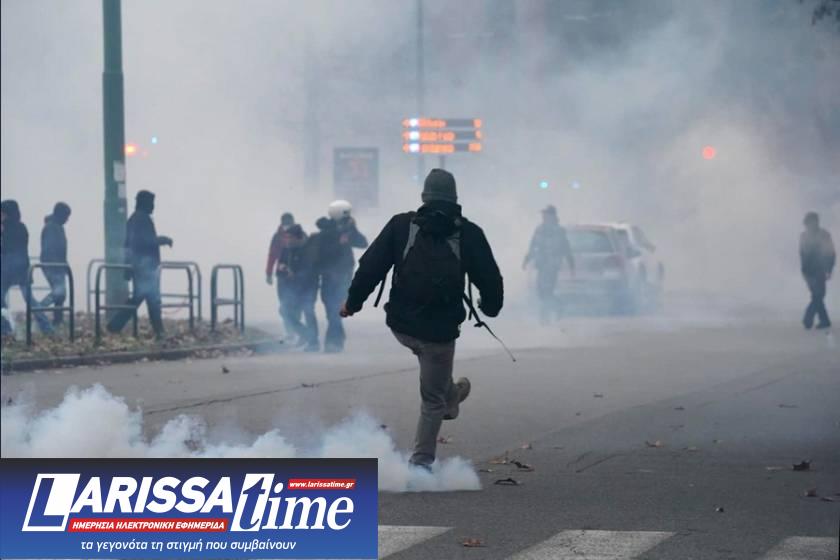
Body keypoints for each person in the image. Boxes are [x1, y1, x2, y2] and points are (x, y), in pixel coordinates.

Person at [340, 169, 504, 469]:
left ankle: (451, 395)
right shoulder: (469, 234)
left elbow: (370, 268)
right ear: (455, 199)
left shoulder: (401, 225)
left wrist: (352, 303)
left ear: (424, 197)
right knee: (433, 401)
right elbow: (491, 279)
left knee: (434, 381)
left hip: (401, 326)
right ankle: (421, 463)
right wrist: (490, 308)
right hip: (440, 334)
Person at [107, 190, 173, 339]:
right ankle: (158, 331)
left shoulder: (133, 219)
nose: (153, 206)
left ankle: (116, 326)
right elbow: (146, 241)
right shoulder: (142, 219)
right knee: (151, 300)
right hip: (145, 267)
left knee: (144, 299)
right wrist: (163, 239)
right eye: (151, 203)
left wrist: (128, 267)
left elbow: (127, 245)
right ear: (144, 203)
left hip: (139, 266)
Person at [312, 200, 368, 353]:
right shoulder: (325, 232)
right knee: (332, 310)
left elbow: (363, 243)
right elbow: (322, 254)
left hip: (343, 276)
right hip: (329, 277)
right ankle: (336, 339)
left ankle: (334, 342)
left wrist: (351, 231)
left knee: (338, 309)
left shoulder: (347, 230)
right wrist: (340, 242)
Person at [1, 200, 53, 336]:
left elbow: (6, 249)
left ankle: (6, 328)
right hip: (21, 268)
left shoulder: (7, 229)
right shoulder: (21, 227)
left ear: (7, 213)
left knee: (5, 298)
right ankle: (47, 328)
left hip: (8, 268)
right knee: (31, 300)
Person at [522, 205, 575, 324]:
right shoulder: (539, 229)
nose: (544, 216)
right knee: (540, 291)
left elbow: (566, 248)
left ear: (553, 216)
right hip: (541, 265)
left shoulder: (559, 230)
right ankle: (559, 307)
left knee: (547, 291)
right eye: (543, 214)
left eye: (546, 214)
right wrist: (526, 259)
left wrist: (571, 264)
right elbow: (533, 245)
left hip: (553, 266)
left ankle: (545, 317)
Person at [282, 224, 321, 351]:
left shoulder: (308, 249)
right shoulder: (288, 250)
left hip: (308, 288)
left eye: (289, 237)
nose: (287, 240)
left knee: (308, 312)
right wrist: (283, 269)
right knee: (285, 311)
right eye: (286, 237)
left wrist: (295, 275)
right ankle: (306, 334)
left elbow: (310, 270)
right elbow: (282, 265)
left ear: (297, 237)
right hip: (294, 289)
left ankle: (314, 343)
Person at [265, 212, 298, 341]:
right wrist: (268, 273)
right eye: (286, 223)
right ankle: (290, 330)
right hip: (282, 275)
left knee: (295, 303)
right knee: (284, 304)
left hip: (296, 276)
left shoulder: (299, 235)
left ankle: (295, 329)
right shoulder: (277, 237)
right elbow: (272, 255)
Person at [799, 211, 835, 330]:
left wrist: (829, 269)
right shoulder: (804, 236)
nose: (810, 225)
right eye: (808, 223)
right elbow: (802, 254)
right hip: (809, 270)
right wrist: (803, 270)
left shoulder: (824, 235)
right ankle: (821, 320)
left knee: (818, 295)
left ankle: (811, 320)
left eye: (812, 222)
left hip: (820, 269)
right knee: (817, 295)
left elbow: (831, 253)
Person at [39, 202, 72, 325]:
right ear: (60, 215)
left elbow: (60, 249)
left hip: (58, 265)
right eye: (66, 216)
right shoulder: (51, 227)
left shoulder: (57, 226)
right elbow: (50, 249)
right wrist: (58, 265)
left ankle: (57, 319)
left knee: (60, 295)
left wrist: (65, 265)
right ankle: (39, 308)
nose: (67, 219)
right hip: (53, 266)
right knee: (59, 292)